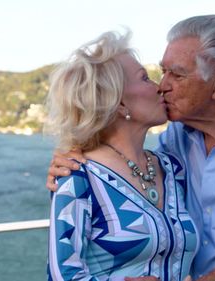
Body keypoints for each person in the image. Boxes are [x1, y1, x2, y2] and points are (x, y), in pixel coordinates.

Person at [48, 15, 215, 281]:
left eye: (176, 74)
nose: (162, 86)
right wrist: (71, 162)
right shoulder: (175, 140)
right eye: (159, 73)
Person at [44, 30, 198, 281]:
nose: (159, 87)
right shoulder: (78, 178)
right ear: (119, 104)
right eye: (145, 78)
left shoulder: (173, 169)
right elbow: (61, 275)